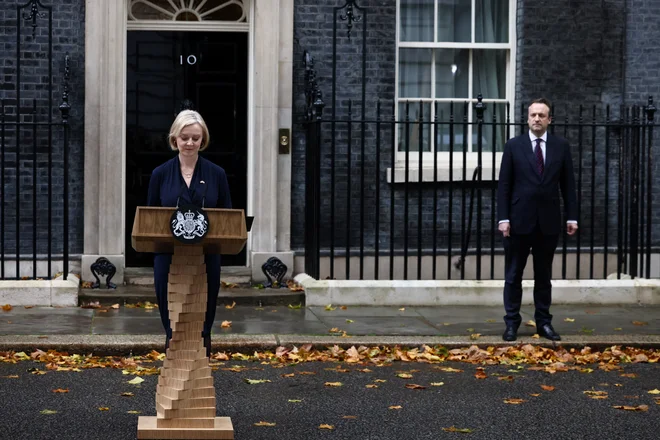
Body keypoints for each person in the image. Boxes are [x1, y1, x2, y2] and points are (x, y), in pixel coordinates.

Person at [147, 110, 232, 356]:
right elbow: (150, 217)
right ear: (175, 139)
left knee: (203, 308)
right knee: (171, 309)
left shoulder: (217, 174)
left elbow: (227, 216)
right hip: (168, 255)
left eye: (195, 138)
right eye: (185, 137)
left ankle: (201, 353)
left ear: (202, 139)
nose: (190, 143)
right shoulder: (160, 174)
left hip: (207, 255)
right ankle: (174, 352)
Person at [496, 98, 578, 342]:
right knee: (513, 276)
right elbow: (504, 186)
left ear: (549, 119)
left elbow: (568, 185)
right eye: (533, 115)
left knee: (543, 276)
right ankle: (512, 323)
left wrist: (572, 216)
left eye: (542, 115)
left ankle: (544, 323)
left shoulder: (560, 146)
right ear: (527, 118)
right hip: (518, 222)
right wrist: (503, 218)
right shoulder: (514, 146)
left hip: (548, 222)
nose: (537, 119)